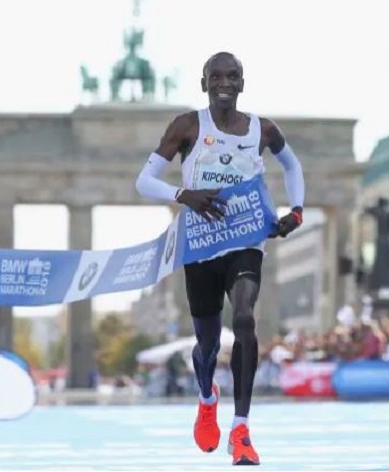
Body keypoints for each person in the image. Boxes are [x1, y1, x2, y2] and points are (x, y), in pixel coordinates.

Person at [135, 51, 305, 466]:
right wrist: (184, 195)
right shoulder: (187, 126)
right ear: (204, 83)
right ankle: (207, 397)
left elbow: (292, 165)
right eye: (216, 77)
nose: (224, 83)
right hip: (201, 244)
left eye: (232, 76)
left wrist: (297, 210)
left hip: (246, 240)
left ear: (242, 83)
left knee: (244, 319)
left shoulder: (263, 129)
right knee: (208, 344)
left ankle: (241, 429)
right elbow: (144, 181)